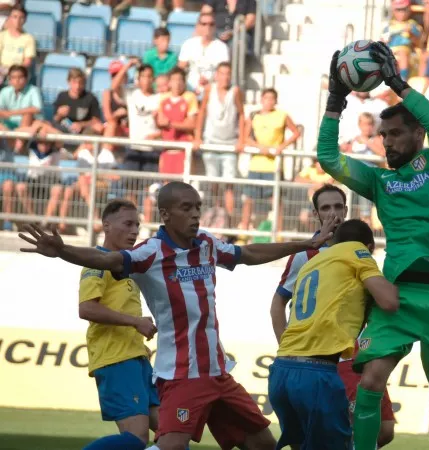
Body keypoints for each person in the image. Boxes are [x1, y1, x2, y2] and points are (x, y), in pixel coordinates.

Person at [18, 180, 338, 450]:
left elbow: (249, 253)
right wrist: (63, 251)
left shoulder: (206, 244)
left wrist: (306, 242)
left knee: (264, 445)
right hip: (182, 374)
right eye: (186, 208)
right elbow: (107, 260)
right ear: (165, 214)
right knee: (169, 445)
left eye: (197, 206)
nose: (195, 213)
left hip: (218, 373)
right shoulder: (150, 252)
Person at [319, 42, 429, 450]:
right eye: (383, 135)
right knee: (371, 380)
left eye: (395, 134)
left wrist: (396, 84)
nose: (386, 142)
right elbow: (328, 159)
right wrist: (336, 100)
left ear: (416, 133)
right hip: (398, 297)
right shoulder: (379, 181)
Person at [269, 184, 397, 449]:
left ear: (346, 210)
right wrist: (286, 345)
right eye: (326, 208)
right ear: (316, 214)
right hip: (322, 362)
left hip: (343, 359)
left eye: (338, 207)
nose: (333, 214)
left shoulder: (342, 252)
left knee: (383, 431)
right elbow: (278, 302)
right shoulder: (311, 254)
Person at [78, 199, 159, 450]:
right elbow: (86, 308)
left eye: (137, 224)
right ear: (106, 226)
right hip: (116, 359)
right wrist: (136, 322)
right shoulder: (97, 262)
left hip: (137, 359)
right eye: (128, 224)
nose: (135, 230)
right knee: (136, 438)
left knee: (173, 434)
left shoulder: (126, 267)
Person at [241, 88, 300, 234]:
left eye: (272, 98)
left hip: (273, 165)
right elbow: (245, 137)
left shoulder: (282, 115)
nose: (269, 101)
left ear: (275, 100)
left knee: (276, 200)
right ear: (261, 99)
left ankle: (278, 231)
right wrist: (259, 147)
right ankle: (243, 230)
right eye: (266, 98)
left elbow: (296, 132)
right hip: (256, 163)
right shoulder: (254, 115)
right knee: (249, 198)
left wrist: (281, 146)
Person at [194, 61, 245, 219]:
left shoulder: (235, 91)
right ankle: (217, 214)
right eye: (222, 73)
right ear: (216, 75)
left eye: (228, 73)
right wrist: (197, 136)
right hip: (211, 141)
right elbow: (201, 112)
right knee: (213, 182)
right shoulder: (209, 89)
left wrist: (241, 139)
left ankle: (228, 219)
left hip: (229, 143)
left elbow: (242, 114)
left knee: (229, 183)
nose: (225, 77)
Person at [178, 11, 230, 94]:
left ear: (215, 26)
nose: (208, 27)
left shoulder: (222, 48)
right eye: (204, 24)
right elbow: (180, 69)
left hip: (213, 90)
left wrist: (209, 81)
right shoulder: (188, 44)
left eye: (211, 24)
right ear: (198, 26)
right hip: (189, 89)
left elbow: (224, 73)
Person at [0, 64, 42, 152]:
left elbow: (37, 109)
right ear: (9, 79)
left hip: (28, 124)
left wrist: (12, 113)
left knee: (28, 115)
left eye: (20, 77)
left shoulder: (33, 90)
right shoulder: (5, 91)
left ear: (26, 79)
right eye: (14, 77)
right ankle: (15, 145)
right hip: (8, 124)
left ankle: (19, 145)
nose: (17, 80)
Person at [52, 68, 104, 136]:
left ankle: (85, 146)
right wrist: (59, 114)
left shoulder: (91, 98)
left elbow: (96, 121)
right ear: (68, 82)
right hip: (63, 130)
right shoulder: (62, 96)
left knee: (98, 128)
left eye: (81, 82)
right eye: (74, 82)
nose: (77, 86)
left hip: (83, 131)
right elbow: (54, 120)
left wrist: (81, 124)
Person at [381, 0, 422, 81]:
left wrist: (411, 34)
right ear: (394, 11)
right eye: (398, 10)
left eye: (404, 9)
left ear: (408, 10)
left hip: (407, 50)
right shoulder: (389, 26)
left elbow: (418, 42)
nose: (401, 13)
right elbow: (383, 41)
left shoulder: (412, 25)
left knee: (402, 53)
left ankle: (403, 79)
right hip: (391, 49)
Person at [0, 5, 35, 81]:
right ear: (9, 18)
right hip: (2, 69)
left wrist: (14, 72)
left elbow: (27, 61)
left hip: (18, 71)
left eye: (21, 18)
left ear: (25, 20)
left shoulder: (29, 38)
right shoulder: (2, 36)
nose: (18, 20)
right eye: (15, 17)